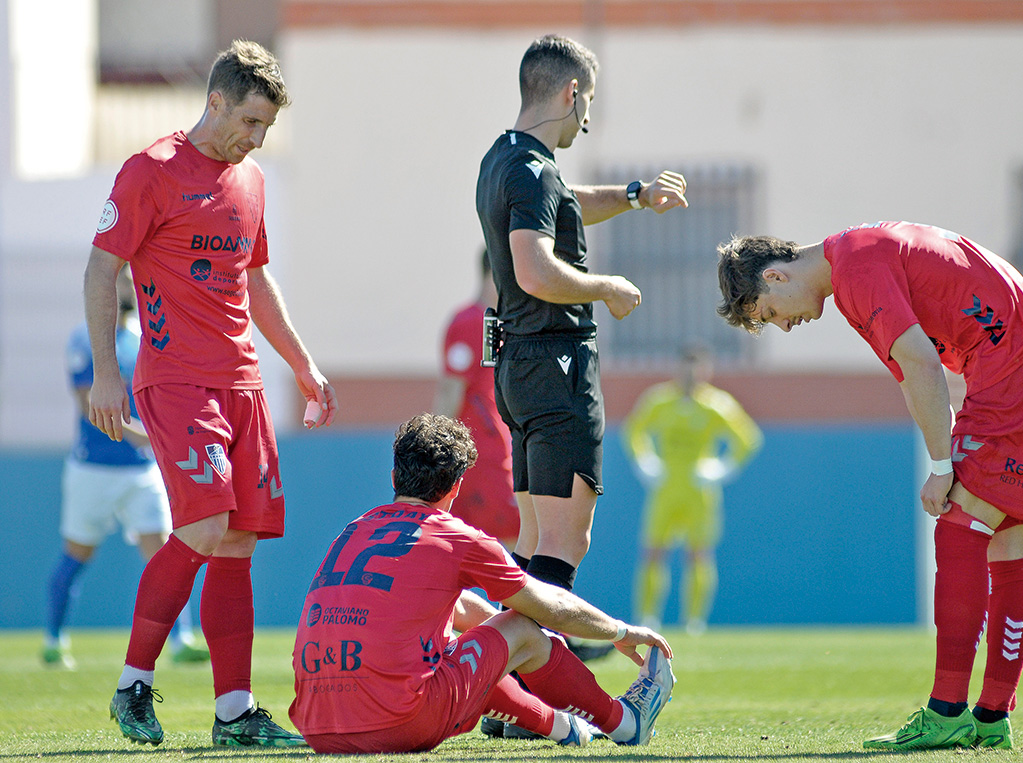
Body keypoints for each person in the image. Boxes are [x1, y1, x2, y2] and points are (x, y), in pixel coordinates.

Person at [85, 40, 337, 748]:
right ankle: (133, 683)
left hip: (244, 383)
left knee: (237, 543)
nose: (254, 139)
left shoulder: (249, 181)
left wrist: (303, 365)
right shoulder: (150, 171)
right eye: (249, 122)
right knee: (202, 526)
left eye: (265, 130)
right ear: (216, 100)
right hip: (175, 380)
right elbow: (101, 272)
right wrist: (108, 371)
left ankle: (234, 712)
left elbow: (256, 282)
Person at [716, 220, 1023, 751]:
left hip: (1006, 369)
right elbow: (919, 365)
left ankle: (947, 711)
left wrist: (941, 465)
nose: (782, 326)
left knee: (961, 525)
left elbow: (921, 366)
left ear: (776, 276)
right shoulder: (860, 253)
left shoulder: (855, 269)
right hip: (1007, 358)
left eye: (769, 313)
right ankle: (992, 717)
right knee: (1008, 533)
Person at [288, 413, 675, 754]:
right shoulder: (458, 538)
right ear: (457, 486)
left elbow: (447, 609)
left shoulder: (352, 530)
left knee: (461, 645)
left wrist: (499, 639)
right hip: (397, 724)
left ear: (394, 476)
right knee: (520, 626)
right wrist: (619, 631)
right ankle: (625, 722)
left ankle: (564, 728)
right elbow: (545, 607)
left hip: (317, 725)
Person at [475, 34, 688, 602]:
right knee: (565, 544)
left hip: (520, 364)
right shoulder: (533, 170)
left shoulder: (504, 159)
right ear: (572, 93)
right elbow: (536, 271)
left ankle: (504, 677)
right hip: (556, 363)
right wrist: (608, 288)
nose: (585, 121)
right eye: (588, 102)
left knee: (535, 539)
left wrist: (635, 194)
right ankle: (530, 678)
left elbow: (565, 200)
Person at [44, 265, 209, 670]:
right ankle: (54, 639)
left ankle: (180, 638)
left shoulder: (149, 338)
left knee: (165, 555)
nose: (129, 285)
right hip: (93, 469)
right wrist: (147, 438)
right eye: (121, 277)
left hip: (141, 471)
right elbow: (89, 403)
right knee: (77, 554)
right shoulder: (85, 338)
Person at [623, 343, 762, 635]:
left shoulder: (717, 404)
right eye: (686, 366)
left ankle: (694, 621)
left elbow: (748, 438)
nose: (691, 373)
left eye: (697, 367)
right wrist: (644, 461)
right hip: (666, 487)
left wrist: (723, 468)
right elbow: (634, 431)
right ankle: (648, 616)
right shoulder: (659, 400)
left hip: (699, 490)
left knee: (699, 553)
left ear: (706, 370)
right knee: (653, 551)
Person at [433, 248, 519, 548]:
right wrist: (435, 458)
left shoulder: (503, 323)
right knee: (510, 549)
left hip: (500, 455)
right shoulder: (470, 322)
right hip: (478, 462)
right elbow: (449, 392)